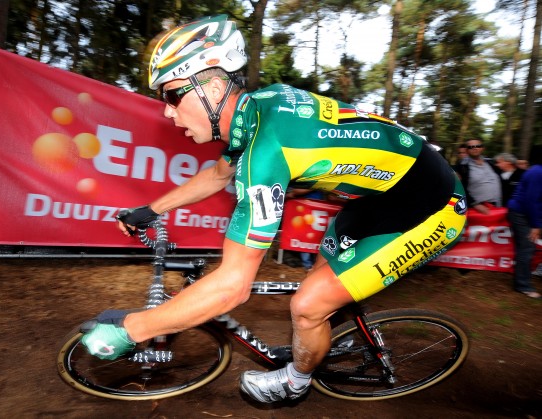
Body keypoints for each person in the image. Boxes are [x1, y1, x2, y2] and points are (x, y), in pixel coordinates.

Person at [80, 15, 468, 403]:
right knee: (322, 285)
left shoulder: (267, 152)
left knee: (307, 304)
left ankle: (297, 380)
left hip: (433, 207)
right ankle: (319, 335)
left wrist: (132, 329)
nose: (167, 111)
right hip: (377, 199)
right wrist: (151, 209)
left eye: (172, 95)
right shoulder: (255, 111)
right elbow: (218, 175)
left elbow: (232, 289)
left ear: (214, 88)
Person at [507, 145, 542, 299]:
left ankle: (522, 280)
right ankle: (523, 285)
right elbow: (532, 201)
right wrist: (536, 225)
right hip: (522, 214)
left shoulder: (536, 170)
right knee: (527, 247)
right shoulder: (537, 172)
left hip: (523, 212)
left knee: (525, 247)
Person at [454, 139, 502, 213]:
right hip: (477, 209)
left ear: (482, 148)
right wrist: (475, 204)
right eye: (471, 147)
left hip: (497, 207)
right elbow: (459, 188)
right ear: (466, 150)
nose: (475, 148)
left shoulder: (491, 163)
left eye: (478, 146)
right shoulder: (462, 167)